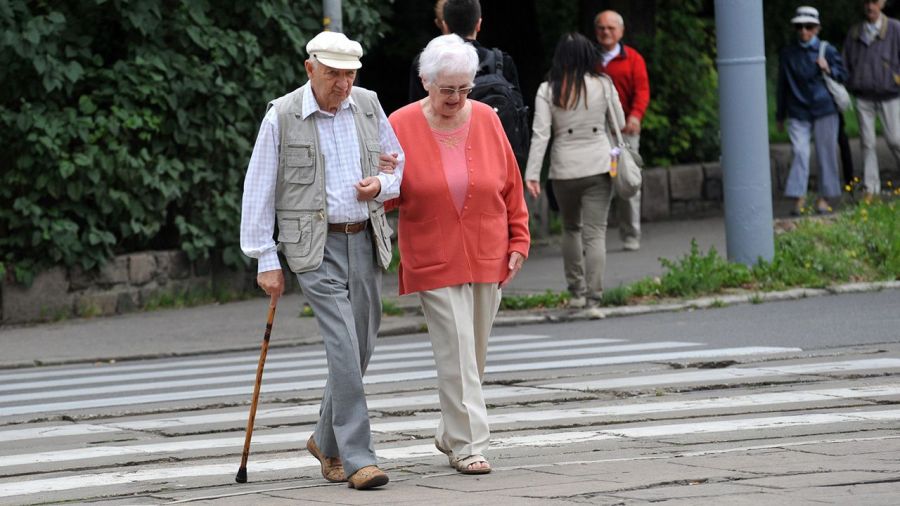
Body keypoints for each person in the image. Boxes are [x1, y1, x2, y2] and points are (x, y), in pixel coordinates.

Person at [240, 31, 404, 490]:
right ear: (310, 68)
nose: (343, 84)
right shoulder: (283, 115)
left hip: (364, 240)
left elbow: (396, 161)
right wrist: (264, 259)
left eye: (350, 74)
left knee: (362, 345)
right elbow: (259, 188)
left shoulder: (368, 105)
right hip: (313, 246)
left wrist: (382, 186)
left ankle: (323, 438)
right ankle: (357, 457)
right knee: (343, 347)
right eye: (333, 74)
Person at [388, 34, 530, 475]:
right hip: (433, 253)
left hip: (488, 249)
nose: (456, 97)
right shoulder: (400, 123)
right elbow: (389, 193)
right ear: (426, 81)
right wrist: (379, 183)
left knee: (476, 355)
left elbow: (509, 183)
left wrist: (519, 239)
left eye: (463, 88)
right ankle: (469, 445)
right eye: (447, 88)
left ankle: (450, 432)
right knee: (456, 352)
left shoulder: (487, 118)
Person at [524, 33, 624, 310]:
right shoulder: (603, 84)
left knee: (571, 229)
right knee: (595, 233)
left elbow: (541, 134)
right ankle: (595, 298)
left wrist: (532, 173)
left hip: (564, 169)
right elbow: (621, 121)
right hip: (599, 166)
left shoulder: (547, 89)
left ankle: (576, 292)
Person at [776, 6, 848, 215]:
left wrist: (828, 68)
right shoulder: (788, 54)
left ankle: (824, 199)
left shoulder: (827, 50)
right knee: (799, 152)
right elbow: (782, 85)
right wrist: (780, 115)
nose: (803, 31)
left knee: (826, 153)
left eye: (808, 26)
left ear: (817, 28)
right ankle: (799, 198)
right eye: (799, 26)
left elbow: (843, 75)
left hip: (824, 108)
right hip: (798, 110)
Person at [594, 10, 649, 252]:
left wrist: (636, 117)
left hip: (624, 131)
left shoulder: (634, 59)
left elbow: (642, 91)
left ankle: (630, 234)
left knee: (626, 181)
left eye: (610, 28)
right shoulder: (589, 58)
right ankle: (594, 238)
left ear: (621, 31)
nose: (606, 32)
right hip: (596, 132)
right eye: (601, 28)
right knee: (596, 183)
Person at [408, 0, 521, 103]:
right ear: (478, 24)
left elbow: (417, 108)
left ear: (445, 25)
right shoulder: (502, 61)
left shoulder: (426, 60)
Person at [843, 0, 900, 198]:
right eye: (867, 2)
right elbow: (846, 61)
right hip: (863, 95)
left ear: (883, 4)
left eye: (875, 2)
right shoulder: (855, 32)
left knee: (895, 140)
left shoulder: (895, 28)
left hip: (890, 94)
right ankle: (870, 189)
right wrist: (851, 82)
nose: (870, 6)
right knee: (867, 143)